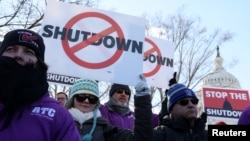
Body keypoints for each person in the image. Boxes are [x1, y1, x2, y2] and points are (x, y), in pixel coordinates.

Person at [0, 29, 81, 141]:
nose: (18, 55)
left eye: (28, 52)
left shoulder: (58, 114)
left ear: (39, 63)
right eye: (11, 49)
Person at [65, 75, 152, 141]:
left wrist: (142, 98)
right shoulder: (59, 121)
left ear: (96, 102)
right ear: (73, 99)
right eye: (81, 96)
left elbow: (140, 138)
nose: (86, 101)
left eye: (92, 98)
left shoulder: (104, 128)